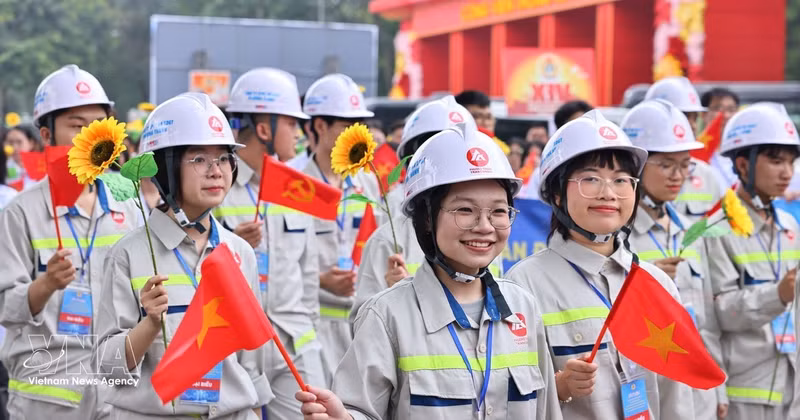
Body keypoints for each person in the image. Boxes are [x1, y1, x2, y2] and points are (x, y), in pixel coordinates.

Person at [296, 125, 561, 420]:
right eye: (464, 211)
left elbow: (546, 410)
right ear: (425, 220)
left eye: (498, 211)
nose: (484, 226)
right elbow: (362, 410)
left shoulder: (523, 307)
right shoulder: (386, 316)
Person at [506, 110, 695, 419]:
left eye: (621, 180)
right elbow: (507, 400)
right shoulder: (523, 286)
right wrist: (561, 388)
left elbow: (677, 395)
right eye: (590, 179)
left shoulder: (655, 283)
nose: (608, 193)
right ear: (556, 193)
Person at [94, 92, 271, 419]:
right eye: (199, 159)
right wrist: (148, 324)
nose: (216, 171)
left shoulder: (239, 252)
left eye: (223, 159)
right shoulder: (128, 254)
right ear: (165, 170)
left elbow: (252, 360)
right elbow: (108, 367)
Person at [0, 64, 140, 420]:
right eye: (77, 126)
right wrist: (45, 285)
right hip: (46, 397)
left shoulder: (129, 202)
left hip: (117, 392)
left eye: (97, 125)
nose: (90, 136)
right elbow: (6, 308)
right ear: (46, 135)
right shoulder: (21, 212)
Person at [216, 67, 325, 416]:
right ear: (264, 129)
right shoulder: (217, 188)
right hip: (239, 346)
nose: (299, 132)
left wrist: (310, 329)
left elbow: (307, 272)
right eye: (292, 124)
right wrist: (231, 242)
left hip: (295, 343)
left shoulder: (295, 187)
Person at [350, 95, 503, 323]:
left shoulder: (486, 234)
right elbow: (362, 326)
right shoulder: (388, 238)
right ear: (414, 161)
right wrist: (395, 297)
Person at [621, 99, 727, 420]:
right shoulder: (616, 236)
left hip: (698, 396)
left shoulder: (689, 232)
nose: (678, 175)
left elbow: (704, 323)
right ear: (636, 165)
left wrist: (717, 388)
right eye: (667, 164)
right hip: (649, 392)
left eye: (685, 164)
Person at [705, 103, 799, 420]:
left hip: (792, 386)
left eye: (791, 161)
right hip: (745, 394)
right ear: (743, 165)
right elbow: (720, 313)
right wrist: (779, 295)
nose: (787, 172)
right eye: (776, 161)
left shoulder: (790, 225)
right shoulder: (716, 229)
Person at [301, 73, 383, 385]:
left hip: (362, 326)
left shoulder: (367, 183)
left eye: (360, 125)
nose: (357, 135)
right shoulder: (294, 187)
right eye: (347, 126)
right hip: (315, 326)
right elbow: (276, 265)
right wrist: (318, 280)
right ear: (319, 126)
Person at [645, 76, 724, 221]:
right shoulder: (631, 175)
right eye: (684, 116)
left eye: (695, 118)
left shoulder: (706, 175)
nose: (692, 125)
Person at [702, 88, 741, 191]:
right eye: (717, 109)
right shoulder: (696, 154)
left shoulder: (746, 151)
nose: (725, 115)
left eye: (731, 110)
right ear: (704, 114)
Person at [3, 124, 43, 190]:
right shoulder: (3, 168)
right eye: (10, 142)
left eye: (19, 142)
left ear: (31, 143)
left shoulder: (42, 168)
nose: (14, 147)